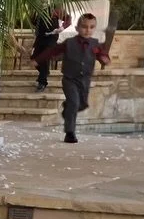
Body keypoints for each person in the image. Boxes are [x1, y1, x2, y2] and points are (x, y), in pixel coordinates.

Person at [37, 11, 109, 143]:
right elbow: (53, 51)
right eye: (84, 27)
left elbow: (102, 55)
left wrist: (104, 59)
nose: (88, 30)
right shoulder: (69, 43)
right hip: (69, 78)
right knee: (74, 103)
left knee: (81, 104)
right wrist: (38, 59)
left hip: (85, 80)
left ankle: (67, 109)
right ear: (77, 28)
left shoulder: (95, 44)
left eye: (91, 27)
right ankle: (70, 133)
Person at [30, 7, 71, 92]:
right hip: (40, 38)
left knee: (44, 59)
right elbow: (34, 23)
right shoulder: (36, 9)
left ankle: (42, 82)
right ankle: (45, 72)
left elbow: (68, 19)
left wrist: (62, 28)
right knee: (33, 58)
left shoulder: (56, 8)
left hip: (51, 38)